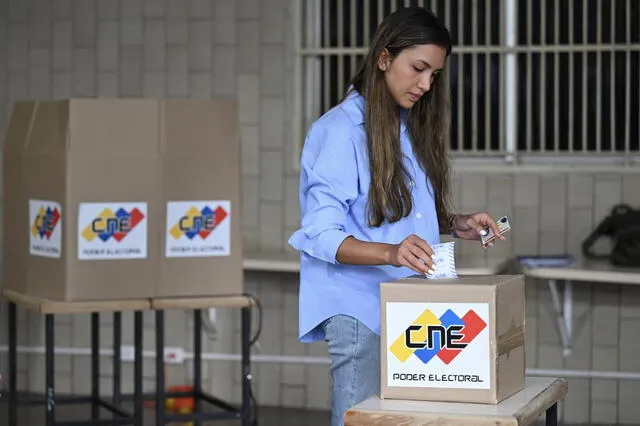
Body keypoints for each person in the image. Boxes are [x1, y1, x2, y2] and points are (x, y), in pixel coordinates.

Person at [288, 6, 505, 426]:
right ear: (384, 58)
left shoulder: (405, 126)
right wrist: (391, 253)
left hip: (411, 310)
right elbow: (318, 234)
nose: (425, 84)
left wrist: (454, 223)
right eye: (418, 68)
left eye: (435, 75)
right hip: (361, 311)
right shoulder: (338, 132)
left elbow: (390, 212)